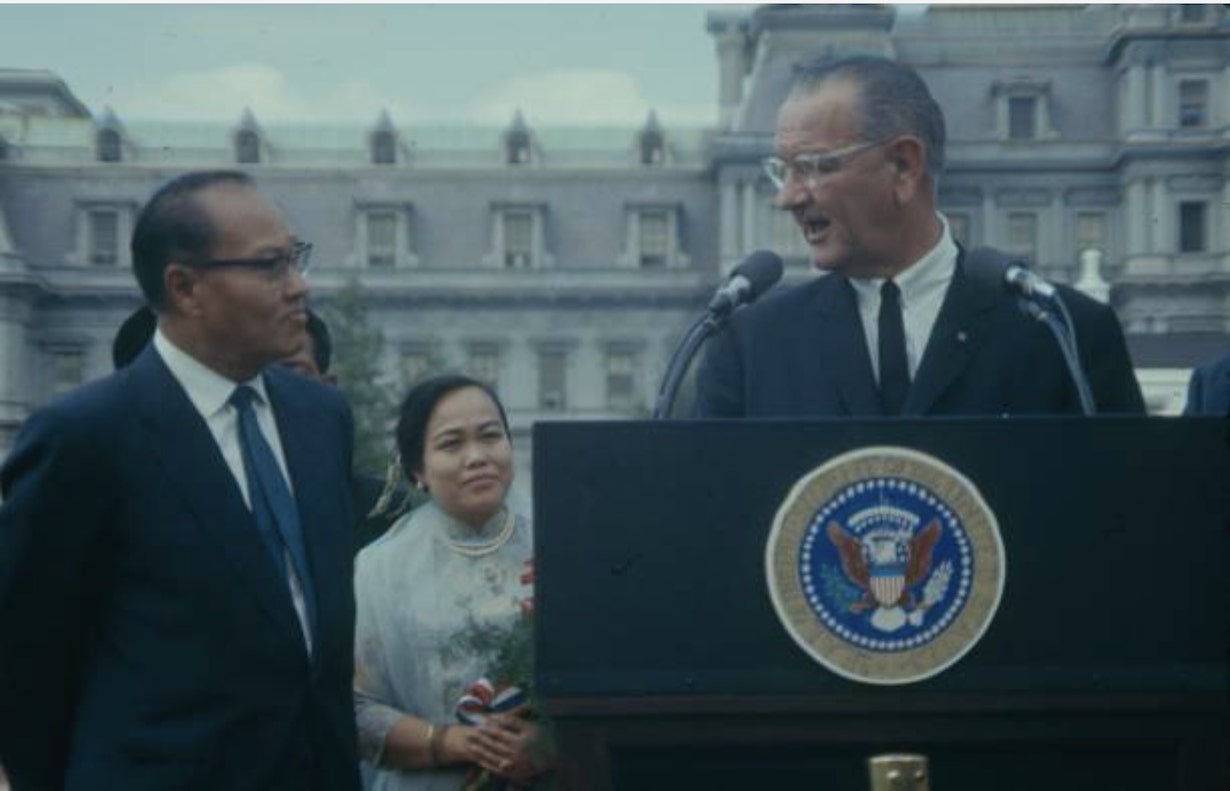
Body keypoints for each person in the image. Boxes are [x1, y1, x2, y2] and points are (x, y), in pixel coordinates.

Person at [0, 170, 361, 791]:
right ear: (186, 287)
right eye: (270, 266)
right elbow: (22, 661)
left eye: (296, 259)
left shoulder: (321, 416)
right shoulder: (85, 437)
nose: (300, 287)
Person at [694, 55, 1145, 418]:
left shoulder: (1065, 335)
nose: (788, 198)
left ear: (904, 166)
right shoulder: (750, 348)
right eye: (783, 172)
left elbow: (1123, 520)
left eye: (814, 167)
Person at [353, 374, 551, 789]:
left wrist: (549, 741)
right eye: (451, 443)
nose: (477, 456)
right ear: (417, 469)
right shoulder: (380, 567)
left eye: (490, 436)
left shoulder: (564, 545)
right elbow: (355, 709)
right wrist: (451, 742)